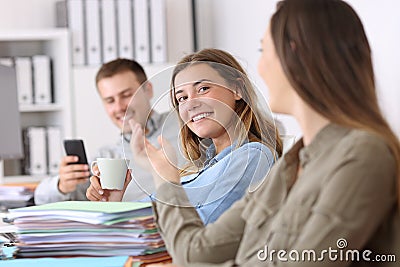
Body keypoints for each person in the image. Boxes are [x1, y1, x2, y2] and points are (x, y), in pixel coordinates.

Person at [146, 0, 400, 266]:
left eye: (262, 50)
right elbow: (197, 252)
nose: (260, 66)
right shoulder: (292, 165)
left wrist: (168, 182)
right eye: (181, 97)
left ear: (295, 54)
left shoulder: (362, 156)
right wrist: (166, 181)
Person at [87, 48, 283, 225]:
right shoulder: (200, 171)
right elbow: (147, 218)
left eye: (203, 89)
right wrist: (114, 203)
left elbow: (200, 234)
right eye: (182, 98)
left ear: (237, 89)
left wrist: (164, 178)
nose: (191, 104)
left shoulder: (253, 155)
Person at [34, 58, 180, 204]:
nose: (119, 107)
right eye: (110, 100)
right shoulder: (107, 159)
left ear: (148, 90)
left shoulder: (184, 122)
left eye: (126, 95)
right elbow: (41, 198)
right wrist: (62, 185)